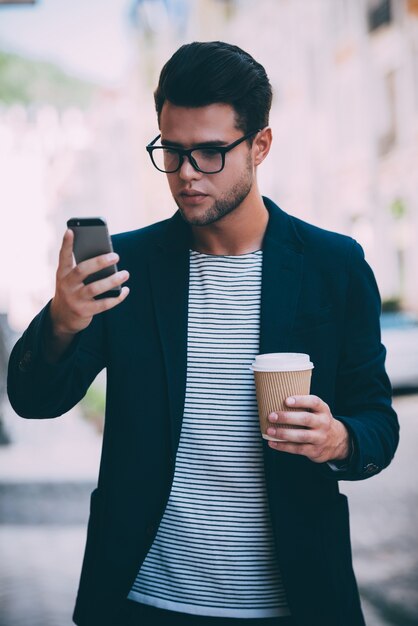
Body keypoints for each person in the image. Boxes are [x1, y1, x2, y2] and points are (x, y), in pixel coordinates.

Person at [8, 41, 399, 626]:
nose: (186, 175)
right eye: (172, 151)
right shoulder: (127, 267)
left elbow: (378, 424)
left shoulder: (333, 265)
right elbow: (34, 401)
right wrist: (63, 320)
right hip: (143, 600)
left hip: (296, 601)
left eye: (210, 153)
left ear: (260, 145)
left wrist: (338, 438)